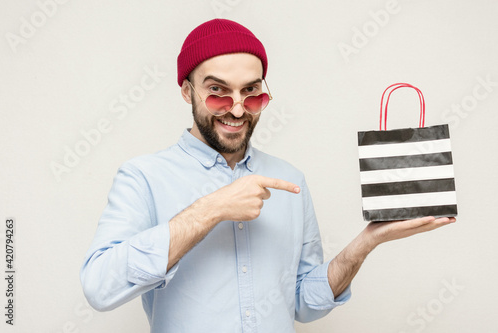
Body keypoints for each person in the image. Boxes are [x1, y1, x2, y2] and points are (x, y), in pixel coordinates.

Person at [80, 19, 456, 332]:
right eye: (217, 92)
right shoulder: (143, 177)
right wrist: (211, 209)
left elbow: (303, 303)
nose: (238, 109)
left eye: (252, 91)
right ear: (186, 91)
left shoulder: (289, 178)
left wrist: (366, 243)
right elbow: (100, 287)